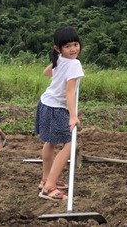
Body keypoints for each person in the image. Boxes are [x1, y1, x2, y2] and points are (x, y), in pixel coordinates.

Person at [35, 26, 84, 201]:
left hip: (45, 103)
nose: (73, 49)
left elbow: (46, 72)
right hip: (57, 108)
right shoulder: (74, 64)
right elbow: (69, 92)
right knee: (70, 144)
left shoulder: (60, 59)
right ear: (58, 48)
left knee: (50, 142)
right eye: (68, 46)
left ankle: (45, 179)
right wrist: (73, 116)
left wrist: (58, 60)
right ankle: (49, 188)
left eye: (75, 44)